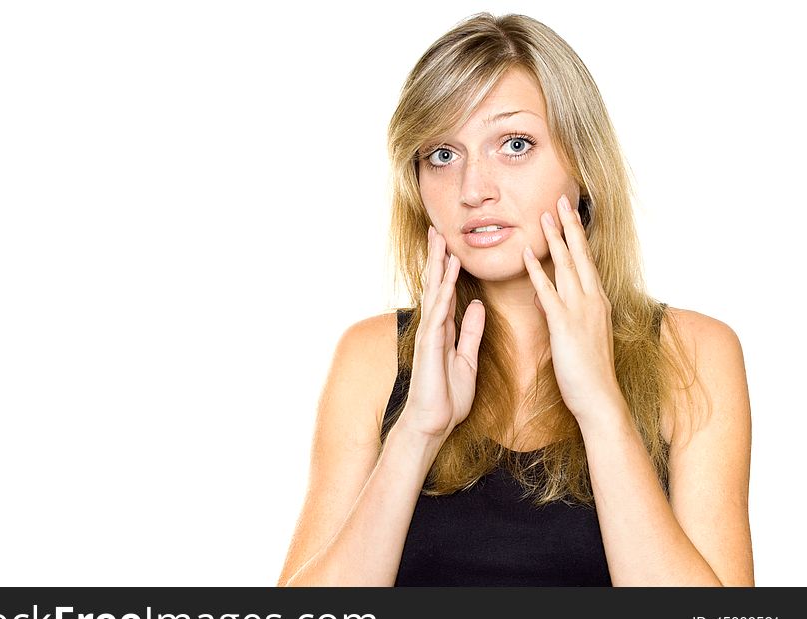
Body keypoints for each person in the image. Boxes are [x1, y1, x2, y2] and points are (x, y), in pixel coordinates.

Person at [277, 12, 753, 586]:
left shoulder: (694, 355)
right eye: (443, 155)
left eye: (515, 144)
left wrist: (603, 410)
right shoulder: (371, 358)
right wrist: (417, 433)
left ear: (582, 163)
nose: (474, 189)